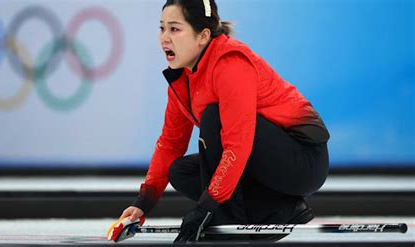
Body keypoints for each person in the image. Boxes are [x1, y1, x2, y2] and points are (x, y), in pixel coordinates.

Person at [119, 0, 330, 242]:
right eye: (161, 28)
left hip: (302, 161)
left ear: (203, 36)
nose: (164, 38)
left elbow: (237, 146)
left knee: (212, 117)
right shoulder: (183, 80)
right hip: (258, 159)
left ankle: (234, 221)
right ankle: (278, 210)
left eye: (174, 29)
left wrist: (205, 210)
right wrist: (143, 203)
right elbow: (170, 144)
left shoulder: (230, 63)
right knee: (180, 171)